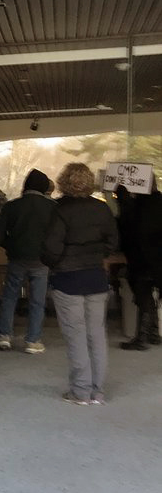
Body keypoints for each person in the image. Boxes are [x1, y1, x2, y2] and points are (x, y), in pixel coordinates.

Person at [41, 163, 118, 405]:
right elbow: (113, 240)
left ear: (64, 182)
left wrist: (52, 262)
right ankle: (97, 391)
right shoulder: (102, 209)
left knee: (76, 335)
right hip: (96, 277)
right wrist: (97, 254)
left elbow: (52, 247)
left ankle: (80, 391)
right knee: (96, 334)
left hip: (68, 279)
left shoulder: (60, 210)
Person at [0, 169, 56, 353]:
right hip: (41, 260)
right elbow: (57, 235)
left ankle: (4, 337)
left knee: (9, 297)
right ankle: (33, 341)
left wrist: (10, 246)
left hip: (16, 258)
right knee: (37, 300)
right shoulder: (52, 207)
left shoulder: (12, 206)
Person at [117, 177, 162, 350]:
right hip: (158, 260)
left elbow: (127, 227)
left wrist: (123, 199)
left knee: (143, 296)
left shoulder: (137, 206)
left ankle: (142, 337)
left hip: (142, 260)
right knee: (152, 296)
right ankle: (153, 333)